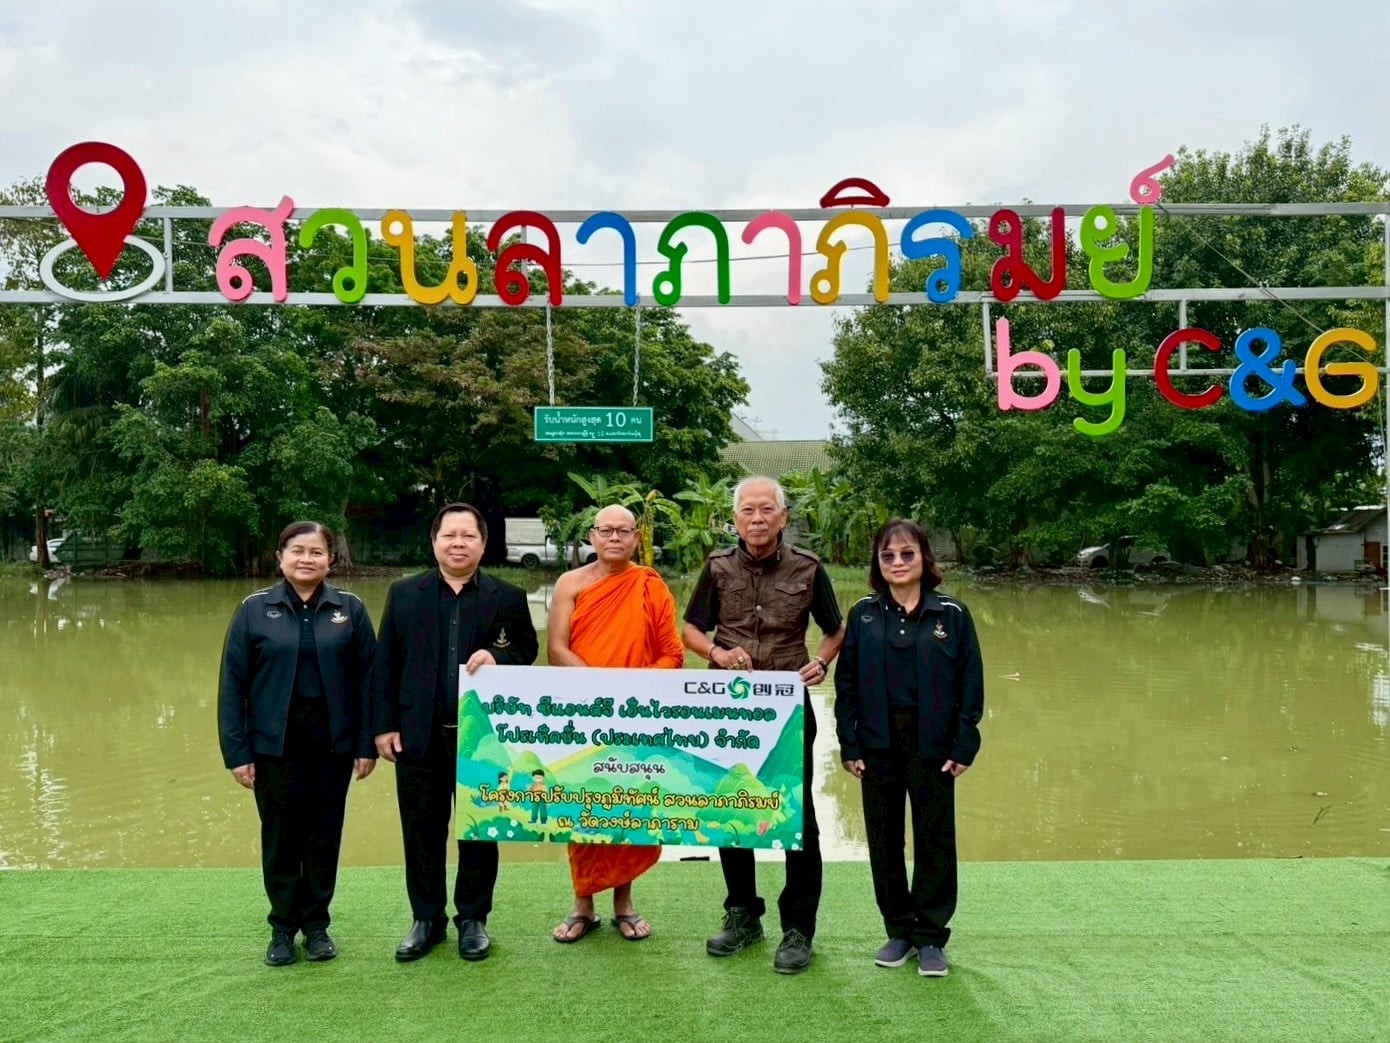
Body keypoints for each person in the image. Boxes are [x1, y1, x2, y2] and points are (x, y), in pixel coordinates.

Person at [681, 476, 845, 974]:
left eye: (766, 509)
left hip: (788, 709)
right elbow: (690, 629)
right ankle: (742, 914)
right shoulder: (717, 567)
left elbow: (835, 629)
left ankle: (798, 927)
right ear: (735, 519)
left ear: (783, 517)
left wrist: (821, 661)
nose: (757, 518)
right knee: (731, 803)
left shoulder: (808, 569)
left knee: (798, 814)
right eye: (748, 510)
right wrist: (716, 652)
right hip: (728, 710)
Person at [372, 502, 538, 962]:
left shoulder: (508, 596)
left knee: (480, 830)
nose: (458, 543)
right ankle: (426, 919)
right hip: (417, 735)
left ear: (483, 544)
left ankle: (473, 919)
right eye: (450, 535)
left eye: (468, 536)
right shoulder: (404, 593)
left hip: (481, 740)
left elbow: (527, 649)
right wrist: (384, 726)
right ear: (434, 542)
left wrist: (497, 657)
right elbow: (385, 662)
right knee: (421, 831)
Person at [217, 521, 378, 966]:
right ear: (280, 557)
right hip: (273, 746)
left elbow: (370, 681)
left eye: (316, 552)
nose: (306, 559)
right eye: (297, 550)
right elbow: (232, 687)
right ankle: (283, 928)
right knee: (281, 837)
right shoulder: (254, 609)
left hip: (333, 745)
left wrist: (366, 744)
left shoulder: (350, 609)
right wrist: (237, 752)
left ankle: (317, 926)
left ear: (331, 560)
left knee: (323, 837)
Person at [833, 518, 984, 978]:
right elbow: (847, 683)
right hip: (877, 742)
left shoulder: (951, 615)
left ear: (923, 559)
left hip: (933, 743)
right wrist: (849, 742)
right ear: (878, 564)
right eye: (888, 556)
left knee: (935, 837)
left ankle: (931, 936)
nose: (897, 562)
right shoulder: (863, 614)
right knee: (884, 838)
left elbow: (970, 683)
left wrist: (965, 742)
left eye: (906, 554)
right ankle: (898, 930)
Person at [546, 504, 686, 943]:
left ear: (636, 537)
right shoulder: (570, 583)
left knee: (631, 802)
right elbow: (556, 649)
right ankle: (582, 903)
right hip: (583, 711)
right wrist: (601, 689)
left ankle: (624, 901)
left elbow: (672, 654)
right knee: (583, 801)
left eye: (623, 531)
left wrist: (632, 690)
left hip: (637, 715)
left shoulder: (649, 585)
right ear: (592, 536)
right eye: (606, 530)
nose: (614, 538)